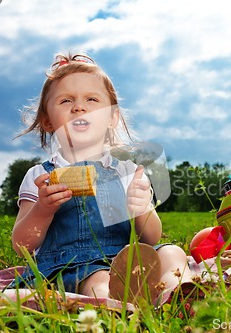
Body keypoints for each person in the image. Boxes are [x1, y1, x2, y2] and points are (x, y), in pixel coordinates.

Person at [12, 52, 191, 303]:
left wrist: (140, 209)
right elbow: (22, 245)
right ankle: (117, 308)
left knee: (172, 252)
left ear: (112, 118)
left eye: (92, 99)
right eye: (65, 101)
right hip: (71, 266)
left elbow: (151, 238)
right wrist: (43, 209)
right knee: (100, 278)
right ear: (47, 121)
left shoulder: (126, 172)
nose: (79, 107)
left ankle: (176, 296)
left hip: (126, 259)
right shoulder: (40, 176)